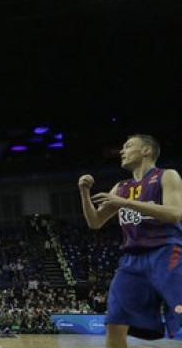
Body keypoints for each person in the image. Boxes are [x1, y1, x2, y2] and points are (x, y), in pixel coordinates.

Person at [78, 134, 182, 347]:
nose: (122, 151)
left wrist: (124, 202)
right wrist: (84, 192)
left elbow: (174, 213)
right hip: (131, 260)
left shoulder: (167, 176)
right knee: (115, 323)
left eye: (128, 146)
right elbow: (95, 222)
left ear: (146, 150)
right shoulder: (121, 187)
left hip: (167, 252)